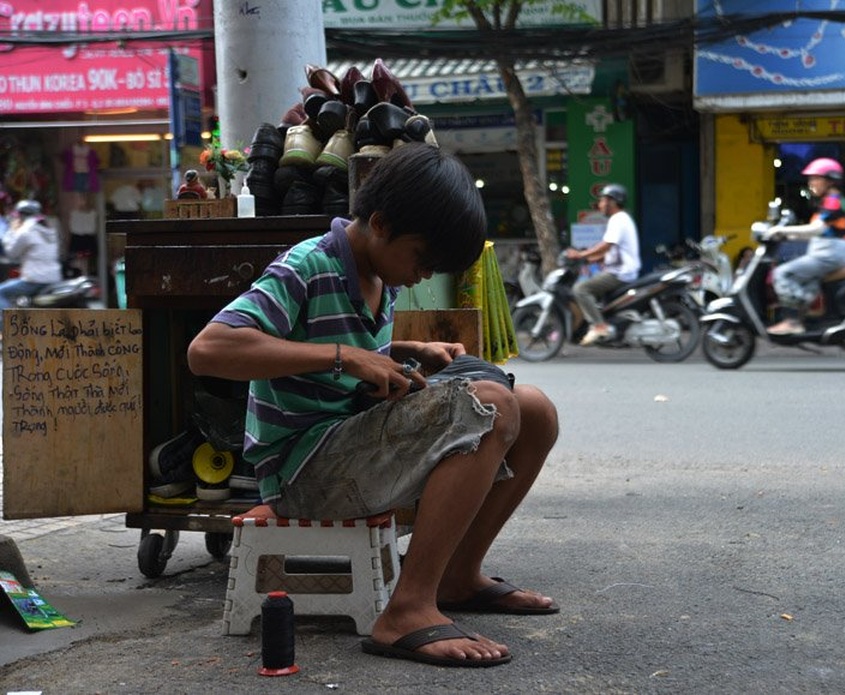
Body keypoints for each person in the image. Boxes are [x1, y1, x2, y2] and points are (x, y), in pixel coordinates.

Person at [187, 143, 559, 668]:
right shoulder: (307, 266)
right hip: (304, 471)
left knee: (534, 408)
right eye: (423, 261)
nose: (423, 277)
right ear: (380, 223)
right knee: (492, 404)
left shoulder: (379, 276)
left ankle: (457, 576)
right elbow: (208, 350)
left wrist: (407, 352)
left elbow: (344, 347)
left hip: (348, 449)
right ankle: (406, 609)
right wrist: (349, 359)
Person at [766, 157, 845, 336]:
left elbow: (816, 229)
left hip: (831, 253)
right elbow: (818, 231)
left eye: (816, 178)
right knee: (807, 283)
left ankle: (792, 321)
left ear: (830, 180)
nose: (811, 183)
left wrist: (782, 230)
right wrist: (785, 235)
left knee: (781, 274)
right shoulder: (829, 201)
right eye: (810, 179)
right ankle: (810, 316)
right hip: (829, 252)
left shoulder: (833, 200)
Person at [564, 183, 641, 345]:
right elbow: (611, 251)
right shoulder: (622, 219)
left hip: (620, 273)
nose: (600, 205)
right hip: (620, 269)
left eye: (602, 201)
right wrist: (591, 259)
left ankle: (599, 326)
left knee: (581, 289)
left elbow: (606, 245)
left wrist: (581, 254)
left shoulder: (618, 219)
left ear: (611, 202)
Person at [0, 200, 63, 309]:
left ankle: (6, 324)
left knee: (1, 292)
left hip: (35, 280)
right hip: (54, 277)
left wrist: (11, 230)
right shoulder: (48, 228)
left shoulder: (26, 230)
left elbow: (11, 253)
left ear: (21, 215)